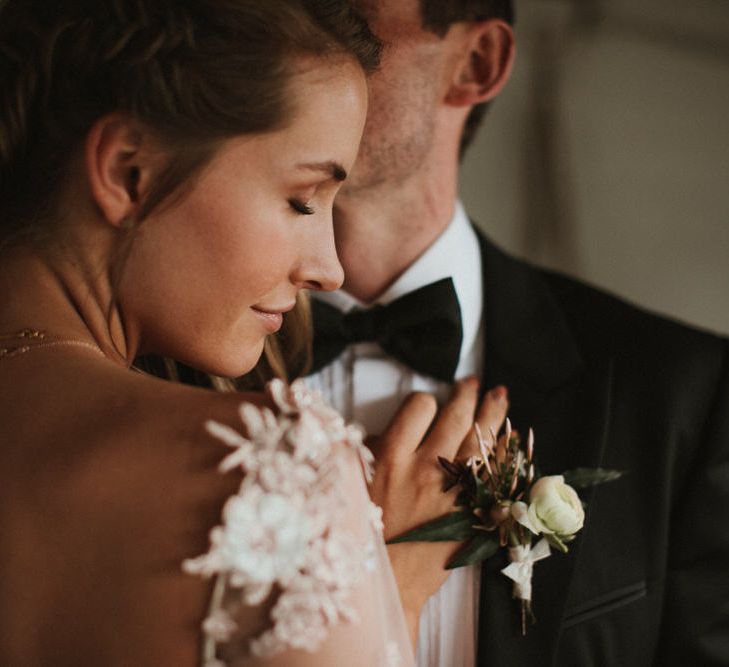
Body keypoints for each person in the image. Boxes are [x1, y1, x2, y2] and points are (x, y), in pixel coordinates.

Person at [0, 1, 509, 665]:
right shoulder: (279, 475)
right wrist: (393, 593)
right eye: (302, 199)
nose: (328, 268)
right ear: (131, 171)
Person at [305, 1, 729, 665]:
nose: (283, 45)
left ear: (475, 63)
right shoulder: (145, 360)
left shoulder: (681, 396)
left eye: (340, 21)